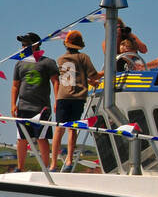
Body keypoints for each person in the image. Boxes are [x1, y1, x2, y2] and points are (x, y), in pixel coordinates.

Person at [51, 30, 102, 172]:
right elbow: (95, 75)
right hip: (77, 97)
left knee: (58, 129)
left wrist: (87, 79)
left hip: (62, 96)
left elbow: (72, 76)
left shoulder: (60, 59)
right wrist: (108, 71)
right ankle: (68, 161)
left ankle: (53, 164)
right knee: (72, 130)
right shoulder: (83, 57)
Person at [11, 32, 59, 171]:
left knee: (41, 138)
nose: (23, 47)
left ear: (36, 45)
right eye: (22, 45)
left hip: (41, 107)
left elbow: (55, 82)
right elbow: (15, 86)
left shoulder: (47, 62)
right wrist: (13, 104)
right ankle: (20, 168)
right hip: (23, 106)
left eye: (26, 45)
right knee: (21, 138)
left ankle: (46, 168)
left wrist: (57, 101)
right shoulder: (19, 64)